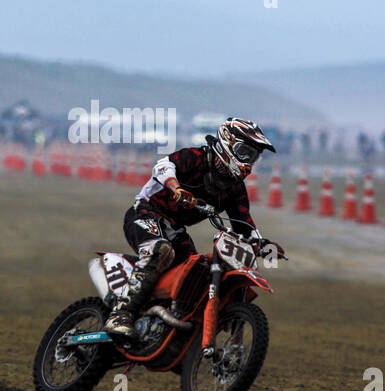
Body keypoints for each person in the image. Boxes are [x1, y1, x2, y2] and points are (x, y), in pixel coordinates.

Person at [104, 117, 285, 342]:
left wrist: (262, 244)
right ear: (228, 143)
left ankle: (167, 326)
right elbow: (163, 166)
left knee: (196, 272)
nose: (248, 161)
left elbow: (244, 223)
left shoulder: (234, 188)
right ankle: (120, 314)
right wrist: (176, 188)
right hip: (145, 213)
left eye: (253, 156)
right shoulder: (196, 158)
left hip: (175, 230)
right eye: (245, 152)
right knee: (160, 250)